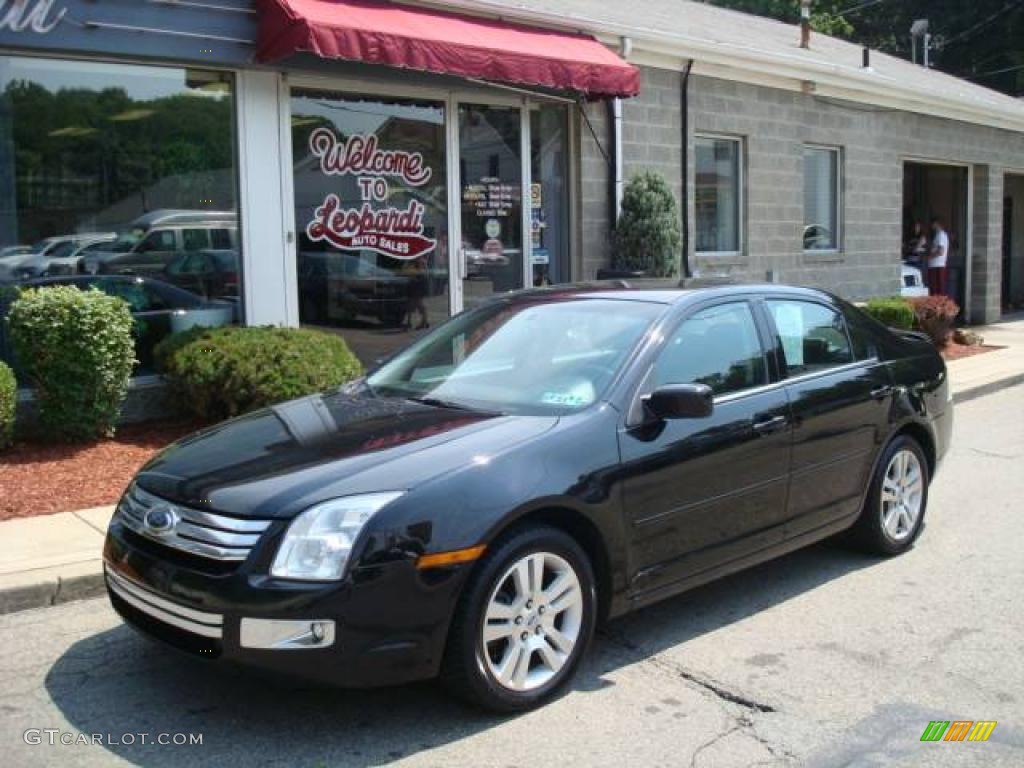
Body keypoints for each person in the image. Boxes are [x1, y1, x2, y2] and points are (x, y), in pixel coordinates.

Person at [927, 217, 949, 297]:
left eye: (932, 224)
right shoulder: (938, 235)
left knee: (938, 289)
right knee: (934, 289)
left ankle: (940, 307)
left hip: (938, 266)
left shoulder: (941, 235)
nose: (931, 226)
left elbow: (941, 251)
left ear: (936, 224)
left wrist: (929, 257)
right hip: (934, 266)